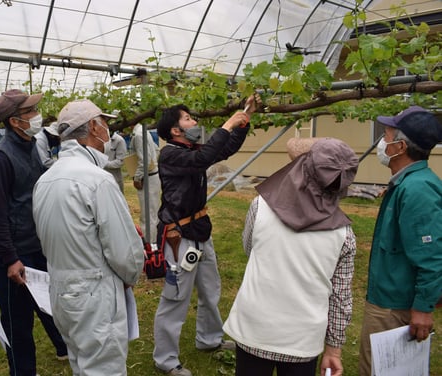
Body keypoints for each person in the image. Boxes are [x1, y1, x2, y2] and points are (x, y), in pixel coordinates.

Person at [224, 137, 359, 376]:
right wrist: (334, 350)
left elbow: (250, 249)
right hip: (302, 339)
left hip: (254, 329)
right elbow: (341, 297)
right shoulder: (343, 234)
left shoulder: (260, 207)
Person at [32, 99, 144, 376]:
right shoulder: (97, 180)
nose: (108, 130)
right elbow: (124, 253)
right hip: (95, 293)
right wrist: (131, 275)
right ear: (94, 127)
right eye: (104, 124)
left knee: (81, 364)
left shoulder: (45, 179)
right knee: (104, 369)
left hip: (60, 290)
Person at [153, 95, 258, 376]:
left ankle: (209, 339)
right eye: (188, 119)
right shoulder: (171, 154)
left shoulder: (191, 150)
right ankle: (165, 359)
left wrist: (243, 122)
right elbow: (204, 158)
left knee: (210, 289)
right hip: (179, 235)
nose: (194, 122)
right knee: (175, 298)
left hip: (199, 229)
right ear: (175, 130)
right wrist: (228, 123)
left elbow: (222, 151)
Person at [0, 89, 68, 376]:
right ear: (15, 121)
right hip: (12, 256)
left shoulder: (31, 147)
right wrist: (9, 259)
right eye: (30, 112)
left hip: (34, 247)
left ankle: (62, 347)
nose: (36, 116)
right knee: (18, 325)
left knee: (48, 306)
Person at [359, 106, 442, 376]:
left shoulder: (417, 189)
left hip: (395, 307)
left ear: (400, 147)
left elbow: (430, 254)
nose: (382, 142)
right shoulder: (406, 183)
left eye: (386, 135)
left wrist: (422, 307)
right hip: (390, 298)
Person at [130, 123, 161, 243]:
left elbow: (145, 160)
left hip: (147, 178)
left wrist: (137, 177)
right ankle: (155, 241)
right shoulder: (143, 131)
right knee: (153, 213)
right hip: (151, 175)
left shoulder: (138, 135)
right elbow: (156, 149)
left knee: (147, 216)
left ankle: (150, 244)